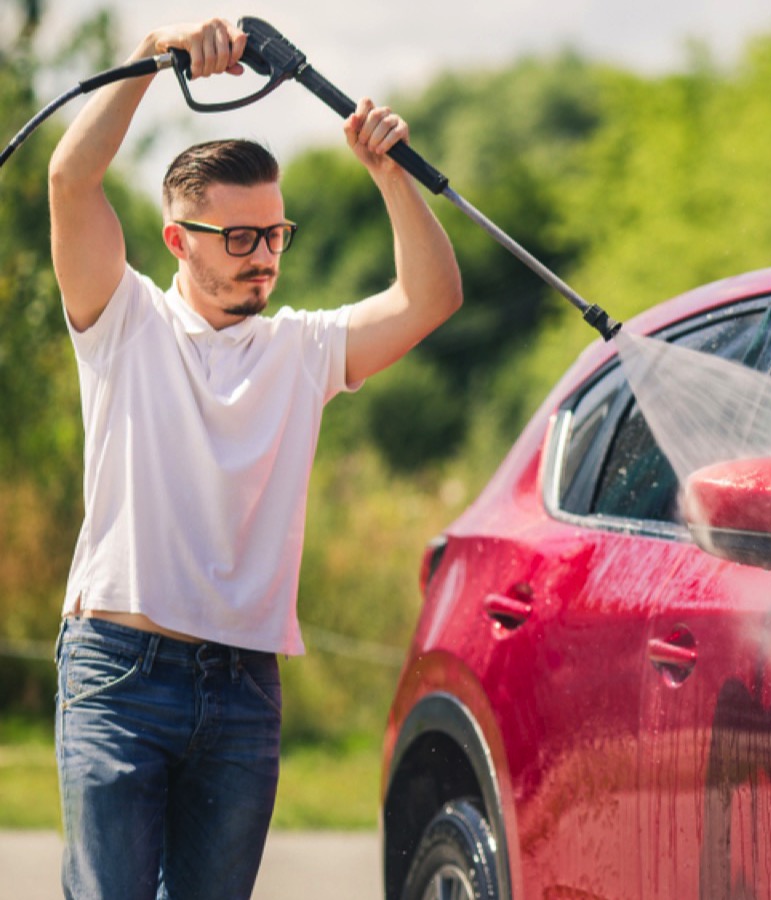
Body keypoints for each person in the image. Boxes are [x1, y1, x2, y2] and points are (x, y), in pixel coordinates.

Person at [46, 17, 462, 900]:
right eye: (238, 238)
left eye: (275, 236)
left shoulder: (299, 350)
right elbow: (70, 178)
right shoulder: (122, 323)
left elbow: (432, 296)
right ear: (176, 240)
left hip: (242, 688)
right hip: (120, 672)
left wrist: (390, 174)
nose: (263, 258)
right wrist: (154, 57)